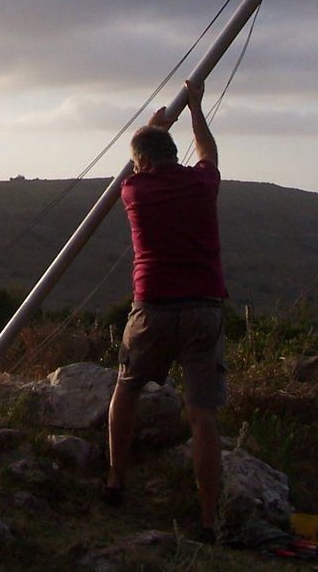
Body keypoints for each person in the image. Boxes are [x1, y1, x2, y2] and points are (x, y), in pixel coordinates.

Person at [104, 78, 227, 542]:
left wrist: (155, 124)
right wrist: (194, 109)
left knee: (127, 389)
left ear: (141, 163)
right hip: (203, 310)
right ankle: (209, 519)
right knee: (203, 415)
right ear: (175, 156)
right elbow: (207, 151)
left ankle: (116, 479)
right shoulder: (200, 185)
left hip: (151, 307)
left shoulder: (134, 192)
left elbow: (140, 160)